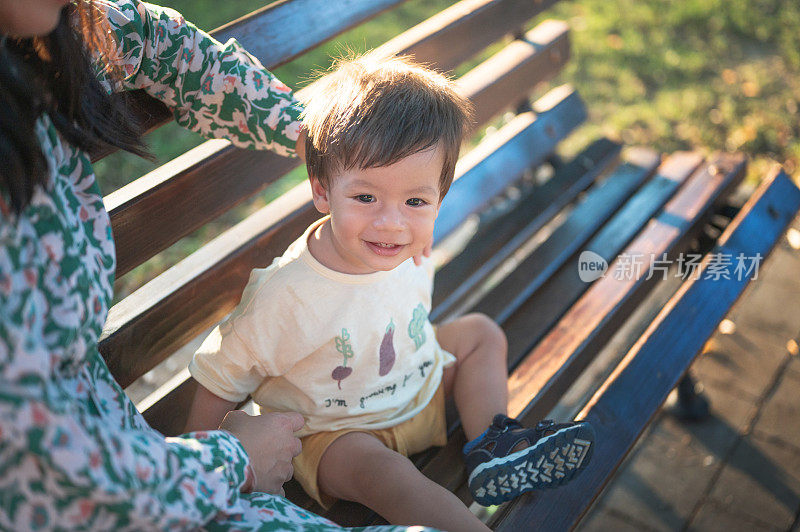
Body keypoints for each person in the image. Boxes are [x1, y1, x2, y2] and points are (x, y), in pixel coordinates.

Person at [0, 0, 438, 530]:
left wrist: (339, 147)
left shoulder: (44, 38)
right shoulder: (287, 293)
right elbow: (45, 483)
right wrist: (230, 459)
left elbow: (155, 42)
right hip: (130, 498)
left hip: (154, 466)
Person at [185, 56, 596, 531]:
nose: (391, 223)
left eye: (415, 202)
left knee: (480, 333)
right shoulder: (288, 296)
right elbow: (219, 379)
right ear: (322, 192)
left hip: (417, 386)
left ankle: (493, 446)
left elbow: (404, 241)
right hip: (335, 433)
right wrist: (208, 475)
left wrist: (420, 229)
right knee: (389, 477)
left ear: (437, 199)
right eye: (365, 198)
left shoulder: (407, 239)